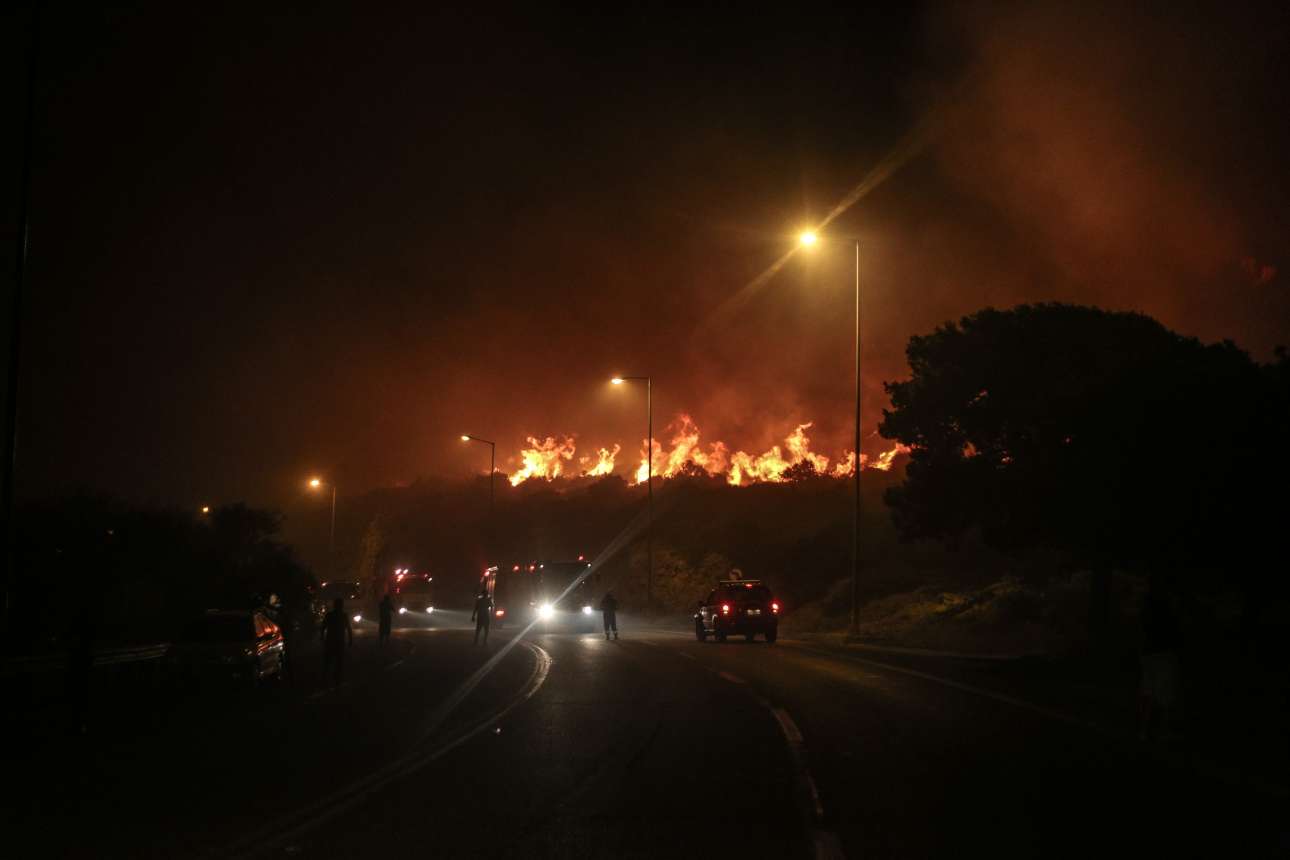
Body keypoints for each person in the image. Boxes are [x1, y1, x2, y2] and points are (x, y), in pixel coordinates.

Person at [1139, 575, 1182, 741]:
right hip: (1163, 652)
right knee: (1165, 693)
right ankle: (1164, 730)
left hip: (1149, 651)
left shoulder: (1147, 604)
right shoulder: (1167, 604)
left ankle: (1145, 729)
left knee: (1149, 690)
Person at [321, 598, 353, 687]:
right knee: (339, 660)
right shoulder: (344, 615)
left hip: (330, 640)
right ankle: (337, 679)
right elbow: (348, 628)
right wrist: (350, 639)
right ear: (341, 606)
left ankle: (326, 678)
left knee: (329, 660)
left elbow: (323, 627)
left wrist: (322, 637)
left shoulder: (329, 615)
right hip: (339, 641)